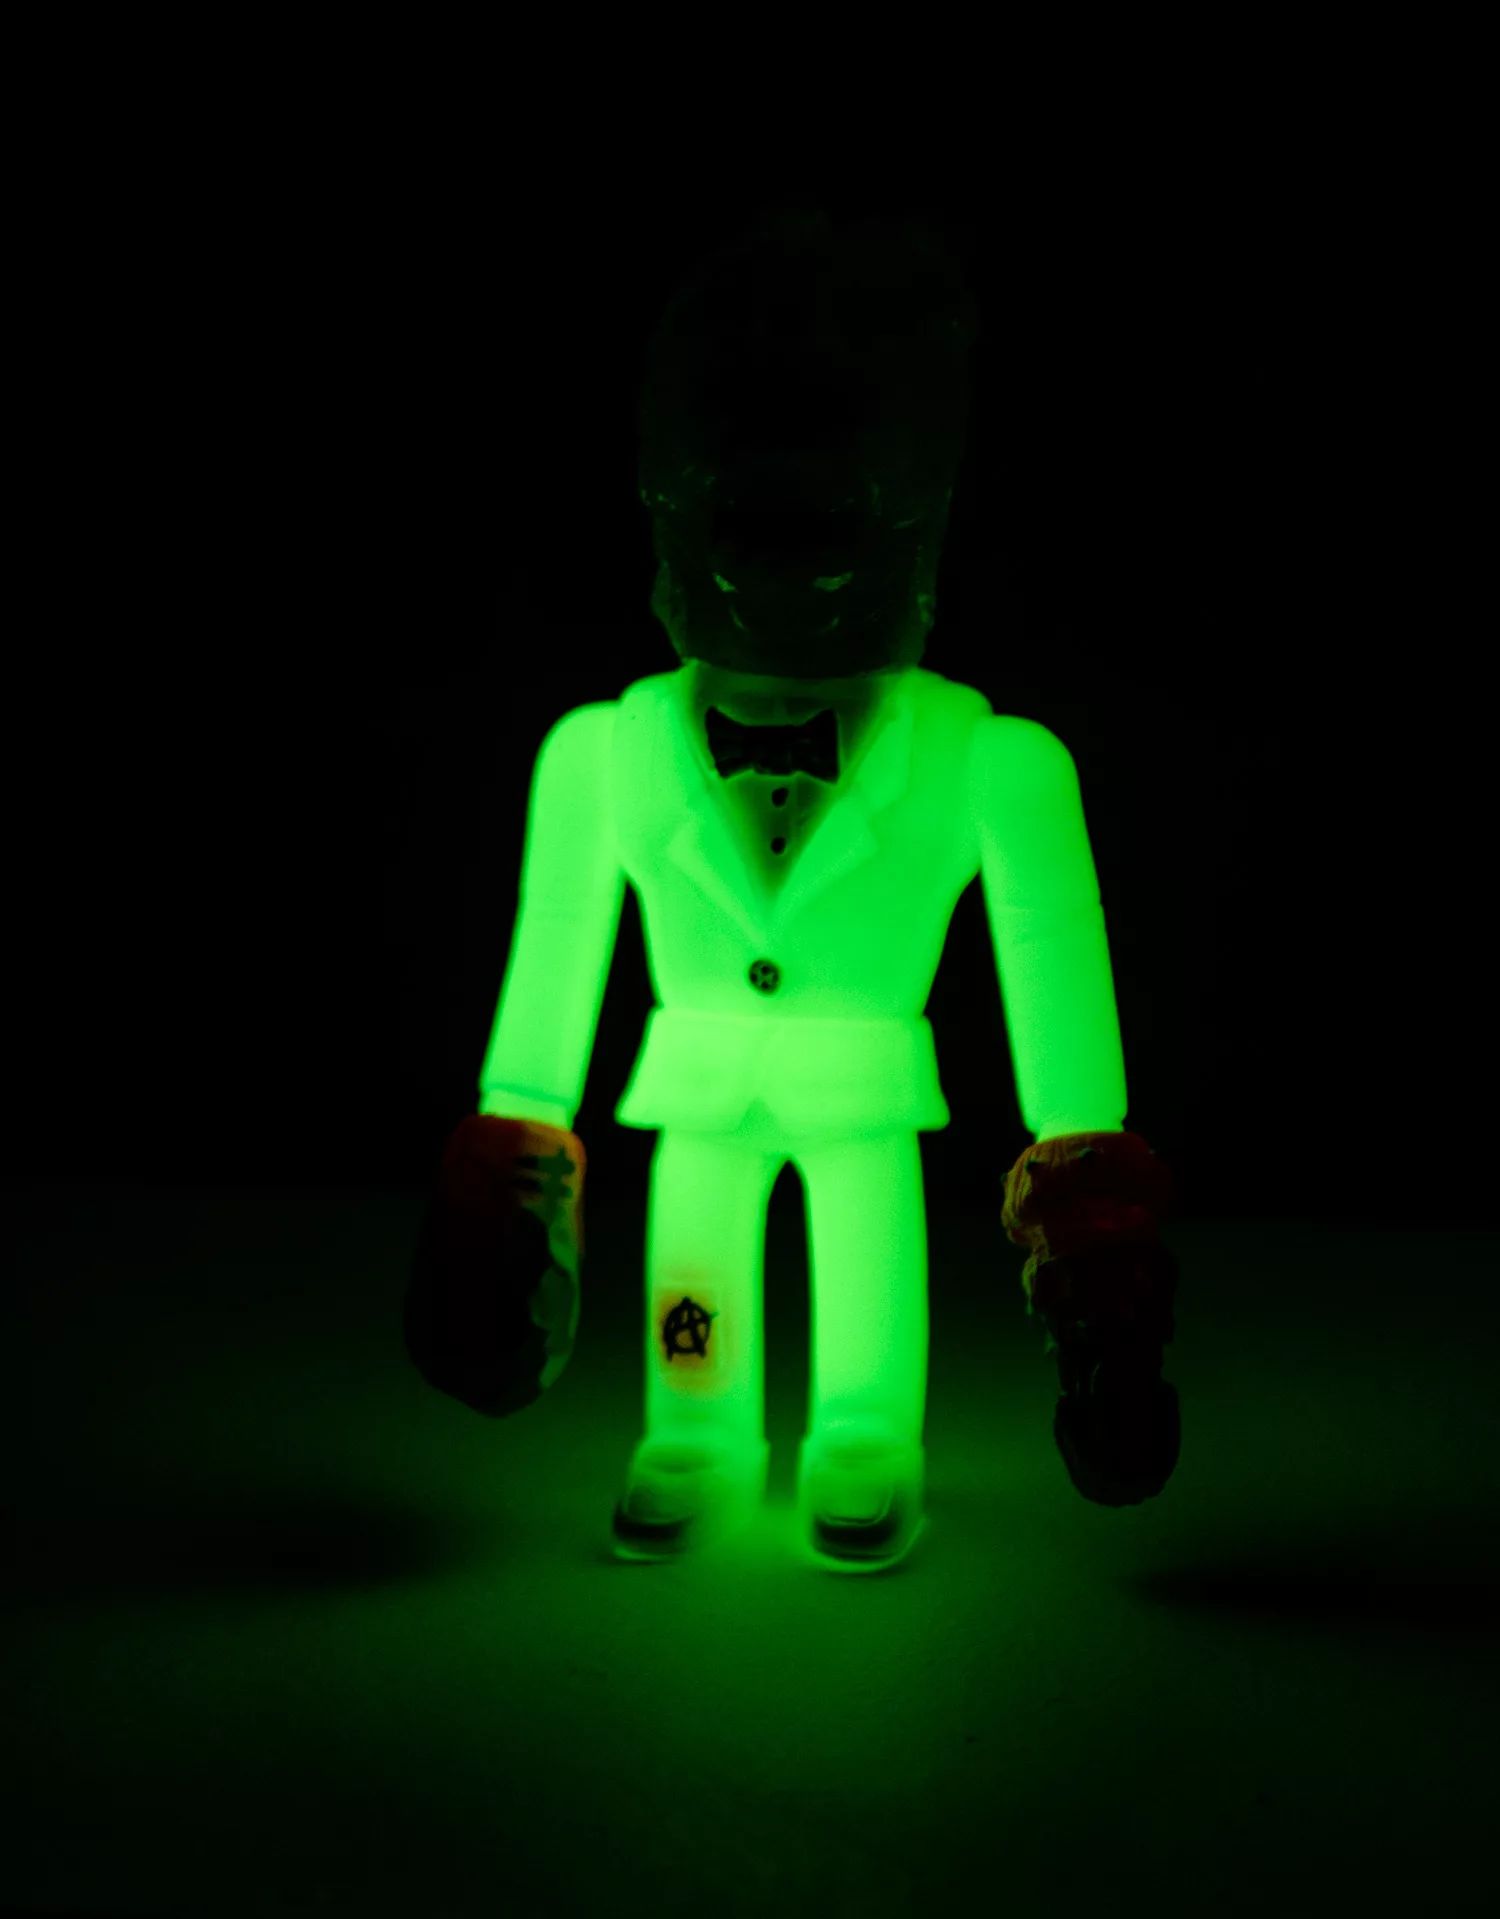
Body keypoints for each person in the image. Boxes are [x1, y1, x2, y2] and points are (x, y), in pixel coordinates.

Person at [404, 204, 1180, 1572]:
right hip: (703, 1079)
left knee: (862, 1275)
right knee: (696, 1283)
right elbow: (557, 950)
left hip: (855, 1084)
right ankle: (697, 1428)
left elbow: (1054, 972)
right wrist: (513, 1145)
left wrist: (1090, 1193)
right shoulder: (605, 752)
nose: (782, 577)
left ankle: (865, 1430)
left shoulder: (988, 760)